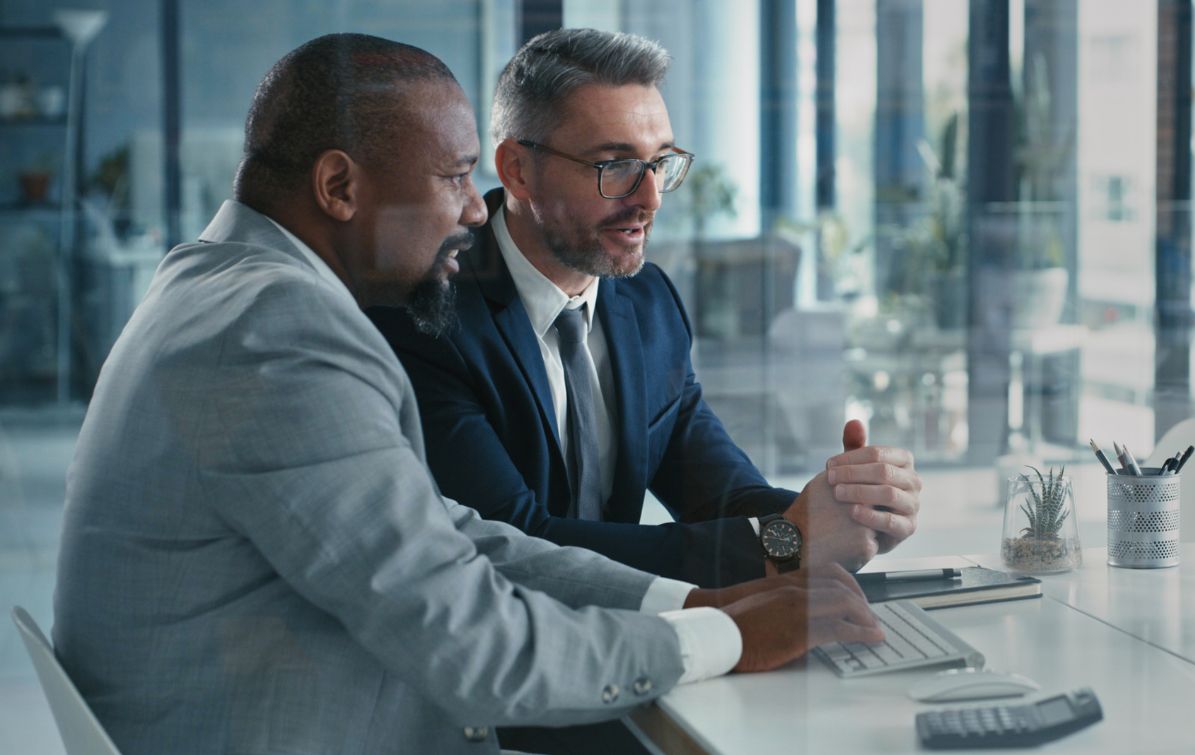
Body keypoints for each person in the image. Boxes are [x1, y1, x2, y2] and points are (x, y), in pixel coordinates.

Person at [52, 33, 881, 755]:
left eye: (659, 164)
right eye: (454, 177)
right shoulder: (289, 330)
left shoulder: (228, 288)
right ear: (340, 188)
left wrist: (731, 581)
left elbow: (456, 538)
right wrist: (724, 630)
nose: (471, 211)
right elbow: (477, 633)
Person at [369, 27, 923, 590]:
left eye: (659, 163)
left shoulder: (647, 301)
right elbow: (517, 543)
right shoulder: (428, 310)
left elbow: (721, 495)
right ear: (517, 169)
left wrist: (847, 513)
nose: (650, 198)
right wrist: (792, 544)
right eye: (614, 167)